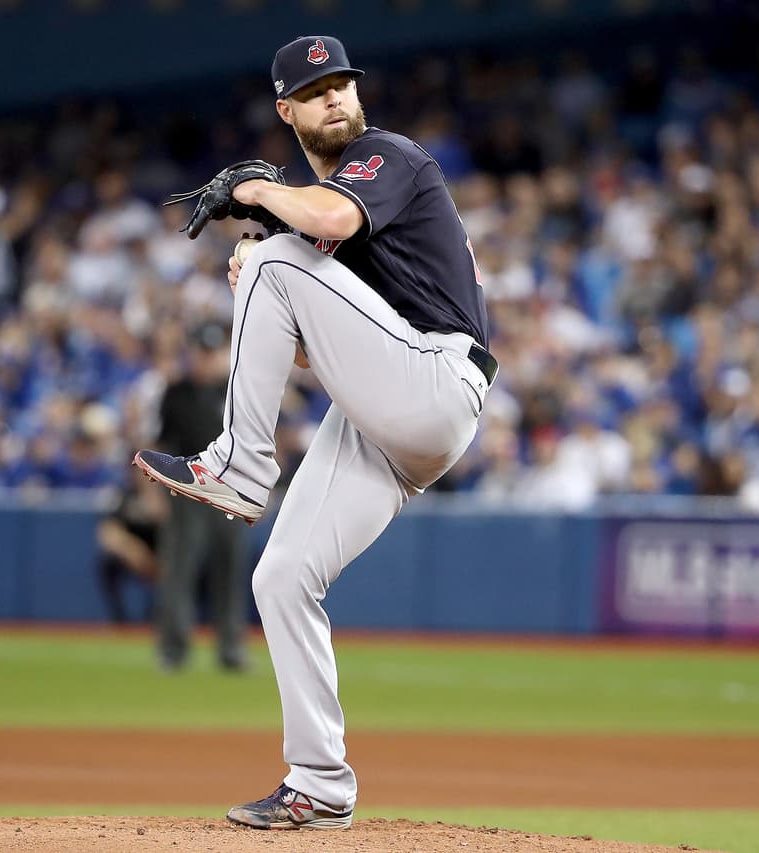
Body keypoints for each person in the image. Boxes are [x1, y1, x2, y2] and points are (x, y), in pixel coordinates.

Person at [133, 34, 495, 830]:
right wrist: (271, 285)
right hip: (394, 410)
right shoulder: (330, 232)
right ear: (286, 108)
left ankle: (239, 464)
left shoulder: (385, 156)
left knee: (269, 255)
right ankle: (320, 780)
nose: (336, 97)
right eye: (317, 88)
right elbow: (313, 352)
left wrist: (262, 203)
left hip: (437, 381)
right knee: (283, 576)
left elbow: (326, 214)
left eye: (344, 83)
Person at [155, 322, 250, 672]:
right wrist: (154, 494)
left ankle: (231, 648)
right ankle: (174, 649)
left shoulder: (236, 389)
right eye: (202, 351)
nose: (207, 359)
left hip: (228, 492)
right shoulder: (177, 391)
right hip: (185, 491)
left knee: (230, 570)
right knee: (180, 571)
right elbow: (163, 444)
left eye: (212, 352)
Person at [95, 464, 164, 625]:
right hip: (134, 557)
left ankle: (161, 617)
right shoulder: (125, 496)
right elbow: (107, 531)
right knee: (107, 563)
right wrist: (132, 550)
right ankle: (119, 619)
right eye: (140, 470)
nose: (144, 475)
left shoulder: (172, 494)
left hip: (166, 557)